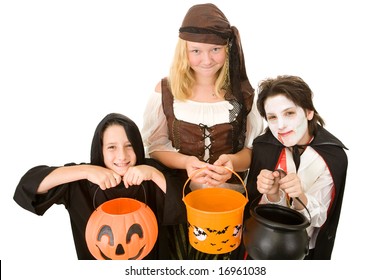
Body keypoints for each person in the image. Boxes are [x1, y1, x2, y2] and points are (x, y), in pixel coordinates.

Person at [142, 3, 263, 260]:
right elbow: (155, 146)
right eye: (196, 50)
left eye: (215, 50)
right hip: (178, 198)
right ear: (183, 51)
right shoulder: (166, 91)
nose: (206, 59)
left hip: (229, 201)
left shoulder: (243, 95)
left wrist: (231, 163)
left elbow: (253, 150)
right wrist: (186, 162)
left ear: (227, 49)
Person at [13, 112, 177, 260]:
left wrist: (155, 175)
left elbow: (184, 209)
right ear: (100, 150)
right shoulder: (80, 181)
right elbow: (27, 187)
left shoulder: (151, 172)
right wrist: (85, 171)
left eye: (129, 145)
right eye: (112, 147)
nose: (122, 156)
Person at [244, 75, 348, 259]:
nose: (281, 125)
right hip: (259, 246)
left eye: (289, 113)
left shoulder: (332, 156)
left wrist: (300, 196)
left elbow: (320, 218)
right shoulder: (264, 147)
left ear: (308, 112)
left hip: (301, 251)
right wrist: (272, 194)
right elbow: (253, 208)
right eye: (272, 117)